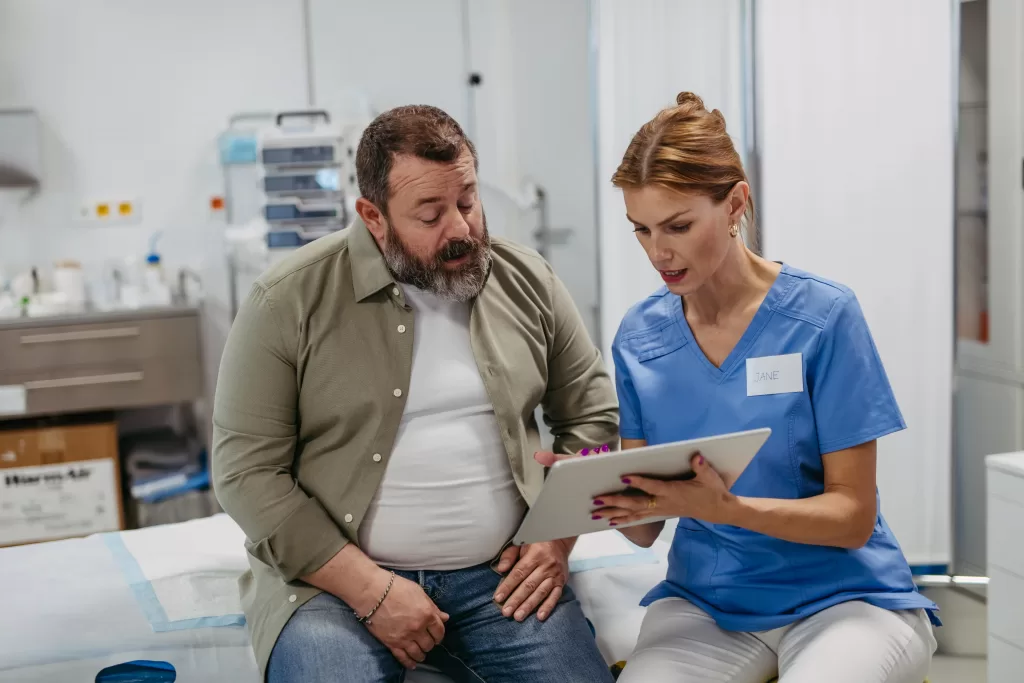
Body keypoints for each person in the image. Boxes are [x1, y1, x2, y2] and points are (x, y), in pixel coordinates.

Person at [539, 92, 939, 683]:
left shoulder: (823, 318)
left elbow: (852, 516)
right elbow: (646, 528)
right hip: (708, 603)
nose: (658, 251)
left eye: (678, 225)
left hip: (845, 599)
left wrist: (728, 510)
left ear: (735, 204)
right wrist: (589, 485)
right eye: (641, 229)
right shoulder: (640, 337)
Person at [212, 104, 619, 683]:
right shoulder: (286, 301)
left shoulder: (527, 280)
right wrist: (371, 589)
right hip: (334, 588)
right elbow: (244, 473)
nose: (460, 228)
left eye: (468, 202)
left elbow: (594, 419)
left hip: (503, 582)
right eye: (430, 215)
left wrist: (557, 536)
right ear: (373, 217)